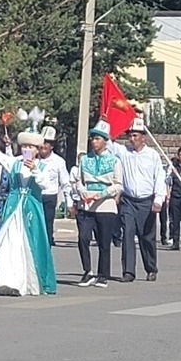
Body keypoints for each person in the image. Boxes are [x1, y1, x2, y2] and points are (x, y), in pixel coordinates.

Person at [0, 125, 58, 295]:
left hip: (31, 208)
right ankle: (8, 280)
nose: (27, 149)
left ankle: (27, 281)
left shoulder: (43, 167)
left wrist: (34, 169)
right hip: (13, 206)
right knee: (9, 242)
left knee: (29, 243)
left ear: (37, 149)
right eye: (24, 146)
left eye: (31, 147)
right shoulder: (14, 162)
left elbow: (45, 184)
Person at [107, 118, 164, 282]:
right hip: (129, 201)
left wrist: (158, 199)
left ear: (143, 137)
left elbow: (159, 178)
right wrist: (106, 122)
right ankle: (128, 271)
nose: (132, 139)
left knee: (147, 236)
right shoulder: (124, 152)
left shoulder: (152, 155)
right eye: (130, 136)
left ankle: (151, 268)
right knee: (128, 234)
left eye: (135, 136)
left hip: (147, 201)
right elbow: (108, 142)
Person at [73, 122, 120, 286]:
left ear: (105, 140)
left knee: (104, 241)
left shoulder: (114, 161)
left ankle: (103, 275)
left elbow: (118, 184)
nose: (94, 141)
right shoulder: (85, 160)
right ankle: (87, 271)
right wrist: (83, 192)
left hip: (105, 205)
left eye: (97, 138)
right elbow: (78, 180)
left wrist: (101, 195)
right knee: (83, 238)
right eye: (92, 138)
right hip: (86, 205)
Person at [163, 146, 181, 251]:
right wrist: (170, 172)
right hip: (176, 196)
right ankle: (175, 243)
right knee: (175, 220)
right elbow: (167, 181)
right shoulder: (174, 167)